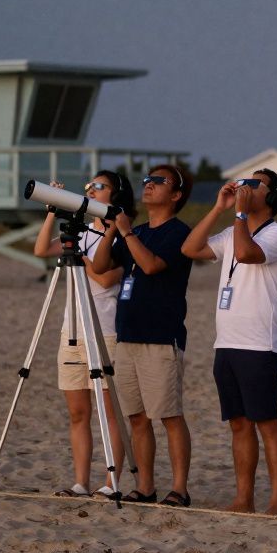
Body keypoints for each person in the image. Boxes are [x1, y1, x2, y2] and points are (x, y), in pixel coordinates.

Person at [182, 169, 277, 515]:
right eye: (244, 182)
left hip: (260, 344)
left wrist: (241, 215)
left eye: (255, 184)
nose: (245, 187)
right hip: (227, 341)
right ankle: (243, 498)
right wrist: (219, 208)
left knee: (266, 421)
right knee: (238, 423)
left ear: (272, 195)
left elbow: (247, 254)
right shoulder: (234, 230)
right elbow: (191, 248)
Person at [91, 163, 194, 507]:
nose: (148, 185)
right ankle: (146, 486)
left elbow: (150, 266)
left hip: (160, 337)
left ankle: (179, 488)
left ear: (176, 194)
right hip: (127, 335)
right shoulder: (134, 230)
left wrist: (127, 233)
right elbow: (101, 266)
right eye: (147, 180)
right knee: (135, 417)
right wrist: (111, 231)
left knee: (168, 415)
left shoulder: (178, 233)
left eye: (158, 181)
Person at [32, 171, 132, 499]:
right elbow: (40, 250)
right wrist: (52, 211)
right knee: (78, 412)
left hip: (105, 330)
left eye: (99, 186)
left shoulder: (121, 236)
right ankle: (80, 482)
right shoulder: (84, 230)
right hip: (72, 328)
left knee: (109, 411)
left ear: (115, 195)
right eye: (89, 185)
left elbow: (105, 279)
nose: (90, 189)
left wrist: (77, 252)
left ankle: (110, 481)